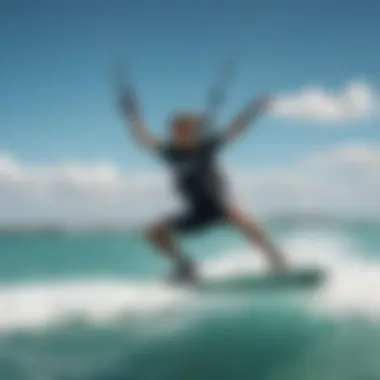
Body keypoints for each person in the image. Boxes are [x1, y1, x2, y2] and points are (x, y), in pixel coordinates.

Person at [119, 84, 287, 283]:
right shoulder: (170, 152)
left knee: (241, 217)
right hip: (195, 211)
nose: (182, 133)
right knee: (154, 232)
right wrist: (132, 114)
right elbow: (143, 137)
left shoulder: (207, 146)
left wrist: (255, 108)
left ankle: (275, 258)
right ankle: (185, 266)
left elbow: (236, 128)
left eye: (188, 129)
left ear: (195, 131)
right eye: (178, 129)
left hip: (218, 205)